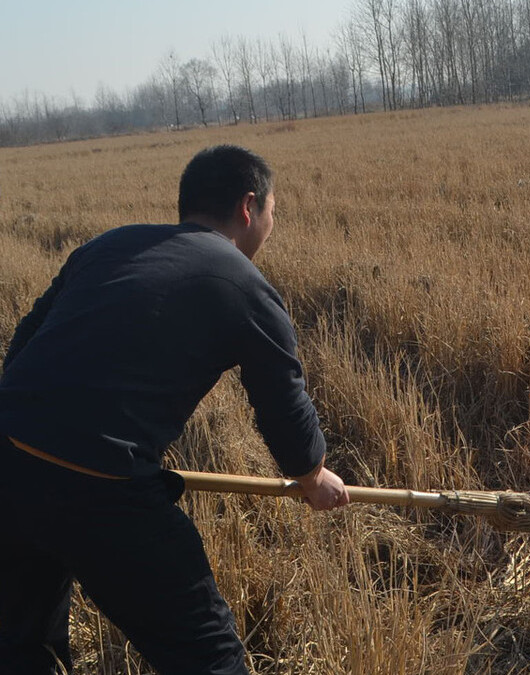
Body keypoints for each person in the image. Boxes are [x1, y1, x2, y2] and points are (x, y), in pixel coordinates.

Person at [0, 145, 350, 674]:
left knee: (23, 646)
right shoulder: (244, 284)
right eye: (274, 211)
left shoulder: (106, 246)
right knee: (207, 656)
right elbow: (283, 405)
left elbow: (22, 347)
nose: (272, 225)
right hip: (102, 489)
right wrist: (312, 474)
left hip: (8, 458)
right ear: (248, 207)